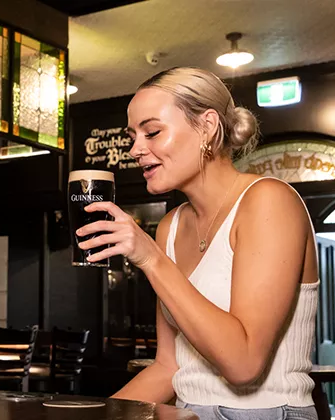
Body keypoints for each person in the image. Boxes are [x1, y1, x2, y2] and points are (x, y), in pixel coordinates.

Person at [82, 67, 320, 419]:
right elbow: (168, 367)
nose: (135, 149)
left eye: (152, 132)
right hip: (186, 412)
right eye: (133, 136)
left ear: (207, 126)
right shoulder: (171, 226)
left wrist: (150, 258)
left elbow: (244, 364)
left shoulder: (269, 201)